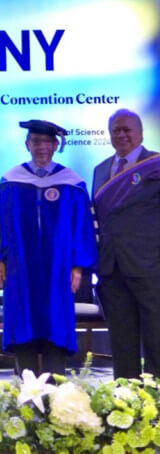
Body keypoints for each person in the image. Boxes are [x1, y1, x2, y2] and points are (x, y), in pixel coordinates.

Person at [0, 120, 97, 377]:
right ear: (27, 145)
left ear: (55, 145)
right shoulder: (10, 182)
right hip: (20, 267)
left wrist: (77, 265)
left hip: (58, 269)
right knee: (23, 325)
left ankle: (55, 390)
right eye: (36, 142)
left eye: (48, 142)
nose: (42, 147)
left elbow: (81, 226)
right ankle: (25, 388)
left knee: (55, 325)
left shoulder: (71, 183)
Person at [92, 109, 160, 379]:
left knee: (156, 338)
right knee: (121, 341)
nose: (121, 135)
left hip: (150, 267)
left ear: (140, 133)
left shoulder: (155, 165)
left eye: (127, 130)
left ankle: (155, 404)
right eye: (116, 130)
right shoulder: (100, 170)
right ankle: (125, 403)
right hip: (111, 269)